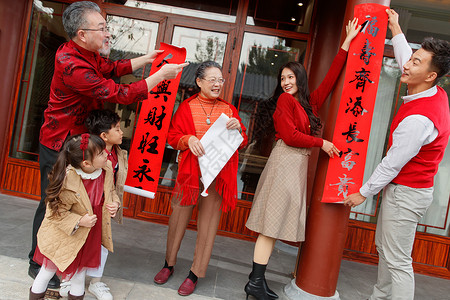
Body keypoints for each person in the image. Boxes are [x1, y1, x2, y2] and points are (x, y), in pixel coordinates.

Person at [28, 1, 187, 288]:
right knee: (54, 204)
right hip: (60, 142)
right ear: (81, 33)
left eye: (106, 26)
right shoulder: (71, 63)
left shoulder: (87, 53)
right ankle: (37, 263)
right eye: (101, 28)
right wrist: (160, 76)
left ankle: (64, 262)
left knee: (80, 204)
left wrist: (148, 58)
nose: (107, 33)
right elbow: (117, 92)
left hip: (82, 142)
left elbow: (113, 68)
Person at [244, 18, 360, 300]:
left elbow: (331, 79)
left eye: (290, 77)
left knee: (273, 226)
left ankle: (255, 281)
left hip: (294, 166)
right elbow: (291, 135)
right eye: (282, 78)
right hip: (285, 161)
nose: (285, 83)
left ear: (300, 79)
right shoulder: (284, 102)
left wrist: (345, 43)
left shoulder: (308, 104)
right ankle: (255, 283)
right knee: (270, 227)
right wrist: (322, 142)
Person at [343, 9, 450, 300]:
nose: (407, 65)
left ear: (431, 75)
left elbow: (392, 163)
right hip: (406, 189)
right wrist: (396, 27)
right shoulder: (429, 88)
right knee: (386, 249)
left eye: (417, 62)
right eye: (412, 57)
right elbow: (406, 59)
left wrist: (363, 192)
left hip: (407, 192)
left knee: (398, 260)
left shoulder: (419, 120)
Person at [153, 61, 248, 296]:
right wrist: (188, 140)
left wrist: (239, 127)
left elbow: (241, 140)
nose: (217, 84)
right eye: (212, 80)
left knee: (208, 226)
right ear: (199, 82)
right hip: (189, 173)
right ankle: (169, 264)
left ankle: (195, 273)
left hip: (216, 175)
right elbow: (173, 136)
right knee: (178, 220)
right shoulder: (186, 107)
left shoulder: (229, 109)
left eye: (220, 80)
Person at [29, 134, 120, 300]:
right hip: (64, 235)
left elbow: (111, 191)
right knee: (47, 271)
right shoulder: (67, 178)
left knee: (79, 275)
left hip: (89, 233)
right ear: (86, 163)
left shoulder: (106, 169)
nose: (106, 154)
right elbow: (54, 212)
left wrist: (114, 203)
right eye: (100, 153)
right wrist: (79, 221)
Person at [59, 109, 127, 300]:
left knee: (102, 243)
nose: (122, 132)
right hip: (82, 209)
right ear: (104, 135)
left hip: (104, 209)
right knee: (75, 240)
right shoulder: (84, 154)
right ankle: (68, 277)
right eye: (117, 129)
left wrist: (115, 203)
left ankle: (96, 282)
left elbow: (114, 187)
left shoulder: (119, 154)